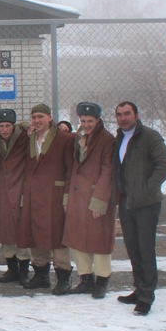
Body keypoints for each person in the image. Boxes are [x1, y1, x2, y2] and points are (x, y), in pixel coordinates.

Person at [113, 101, 166, 316]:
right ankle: (139, 289)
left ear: (136, 115)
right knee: (133, 249)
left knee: (146, 250)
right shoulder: (119, 138)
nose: (123, 118)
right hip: (126, 203)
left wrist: (148, 188)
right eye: (119, 114)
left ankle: (147, 297)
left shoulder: (149, 136)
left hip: (146, 204)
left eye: (127, 113)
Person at [19, 103, 75, 295]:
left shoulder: (64, 139)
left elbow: (70, 169)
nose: (37, 121)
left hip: (54, 194)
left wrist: (67, 196)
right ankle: (41, 275)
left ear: (50, 118)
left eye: (40, 117)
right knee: (35, 233)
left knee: (57, 235)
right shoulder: (31, 137)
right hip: (34, 194)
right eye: (34, 117)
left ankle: (63, 277)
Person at [63, 102, 116, 299]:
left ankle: (102, 280)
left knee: (99, 240)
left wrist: (100, 201)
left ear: (98, 120)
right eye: (83, 121)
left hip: (96, 196)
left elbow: (108, 171)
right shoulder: (79, 137)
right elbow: (72, 167)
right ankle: (85, 278)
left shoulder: (107, 140)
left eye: (90, 121)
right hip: (77, 195)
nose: (86, 124)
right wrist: (67, 197)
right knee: (77, 238)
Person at [0, 109, 31, 285]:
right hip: (1, 190)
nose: (5, 130)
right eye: (1, 126)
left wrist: (26, 125)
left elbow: (44, 126)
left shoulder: (23, 137)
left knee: (22, 229)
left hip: (20, 187)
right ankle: (12, 268)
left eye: (8, 126)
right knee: (5, 229)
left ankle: (24, 269)